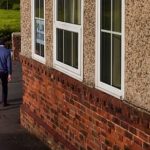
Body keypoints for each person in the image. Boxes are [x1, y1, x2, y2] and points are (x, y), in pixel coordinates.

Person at [0, 42, 12, 107]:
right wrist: (10, 74)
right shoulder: (7, 51)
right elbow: (9, 64)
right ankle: (4, 103)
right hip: (4, 72)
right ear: (4, 45)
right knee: (4, 87)